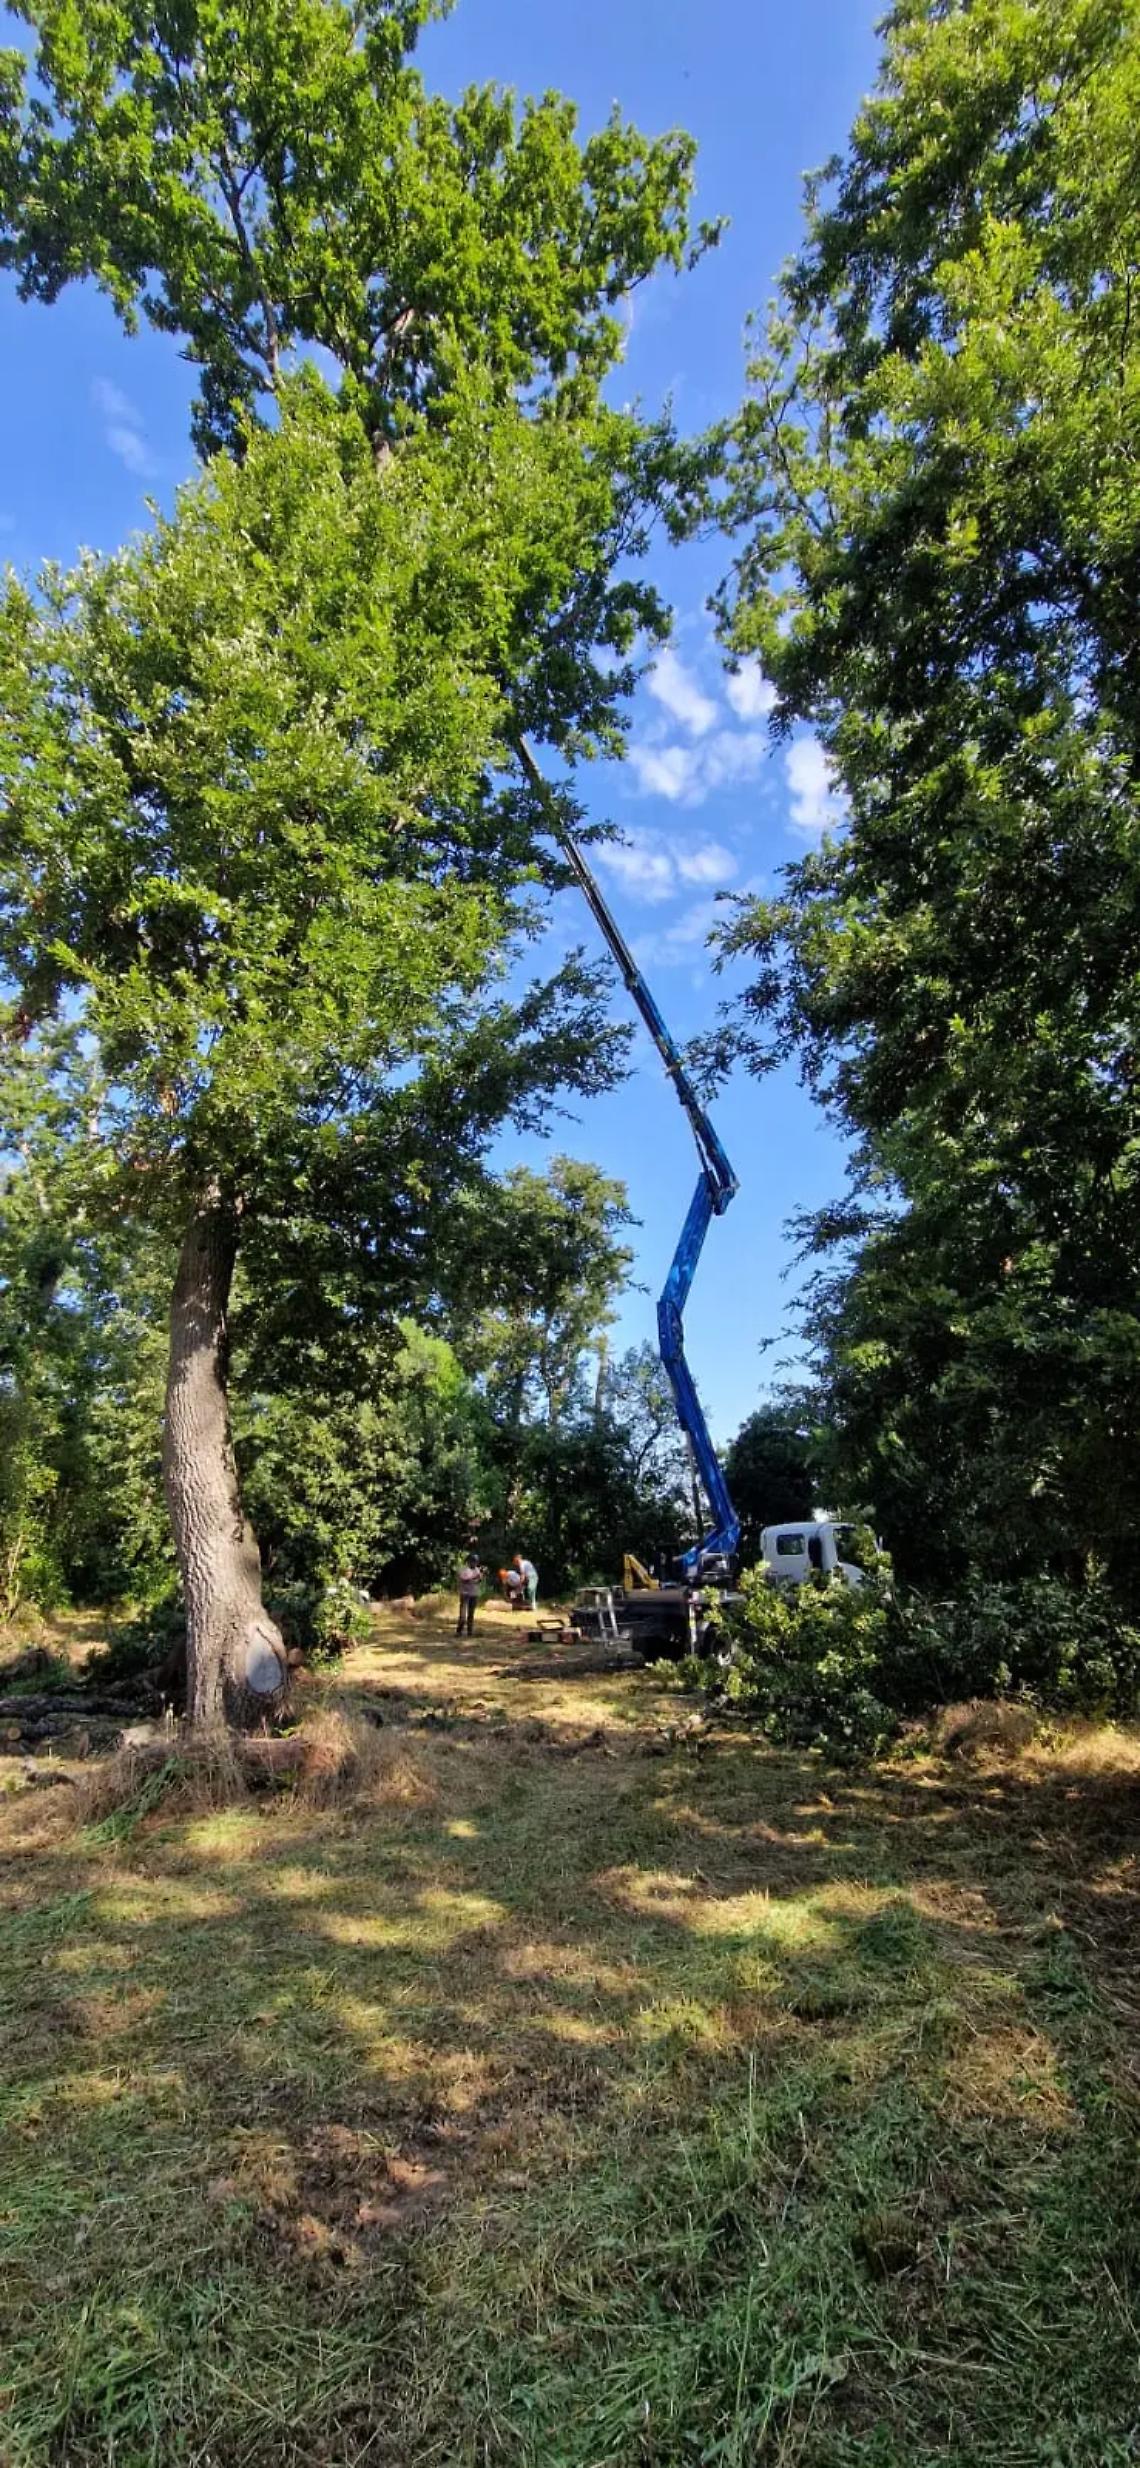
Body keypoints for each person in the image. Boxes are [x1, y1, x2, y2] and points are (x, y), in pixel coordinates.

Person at [456, 1552, 483, 1638]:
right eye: (473, 1561)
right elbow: (465, 1579)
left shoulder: (477, 1569)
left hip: (474, 1594)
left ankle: (469, 1632)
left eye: (476, 1562)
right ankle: (459, 1631)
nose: (475, 1563)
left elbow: (478, 1581)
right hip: (465, 1594)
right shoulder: (464, 1569)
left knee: (471, 1615)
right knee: (463, 1616)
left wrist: (480, 1577)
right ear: (469, 1561)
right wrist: (475, 1576)